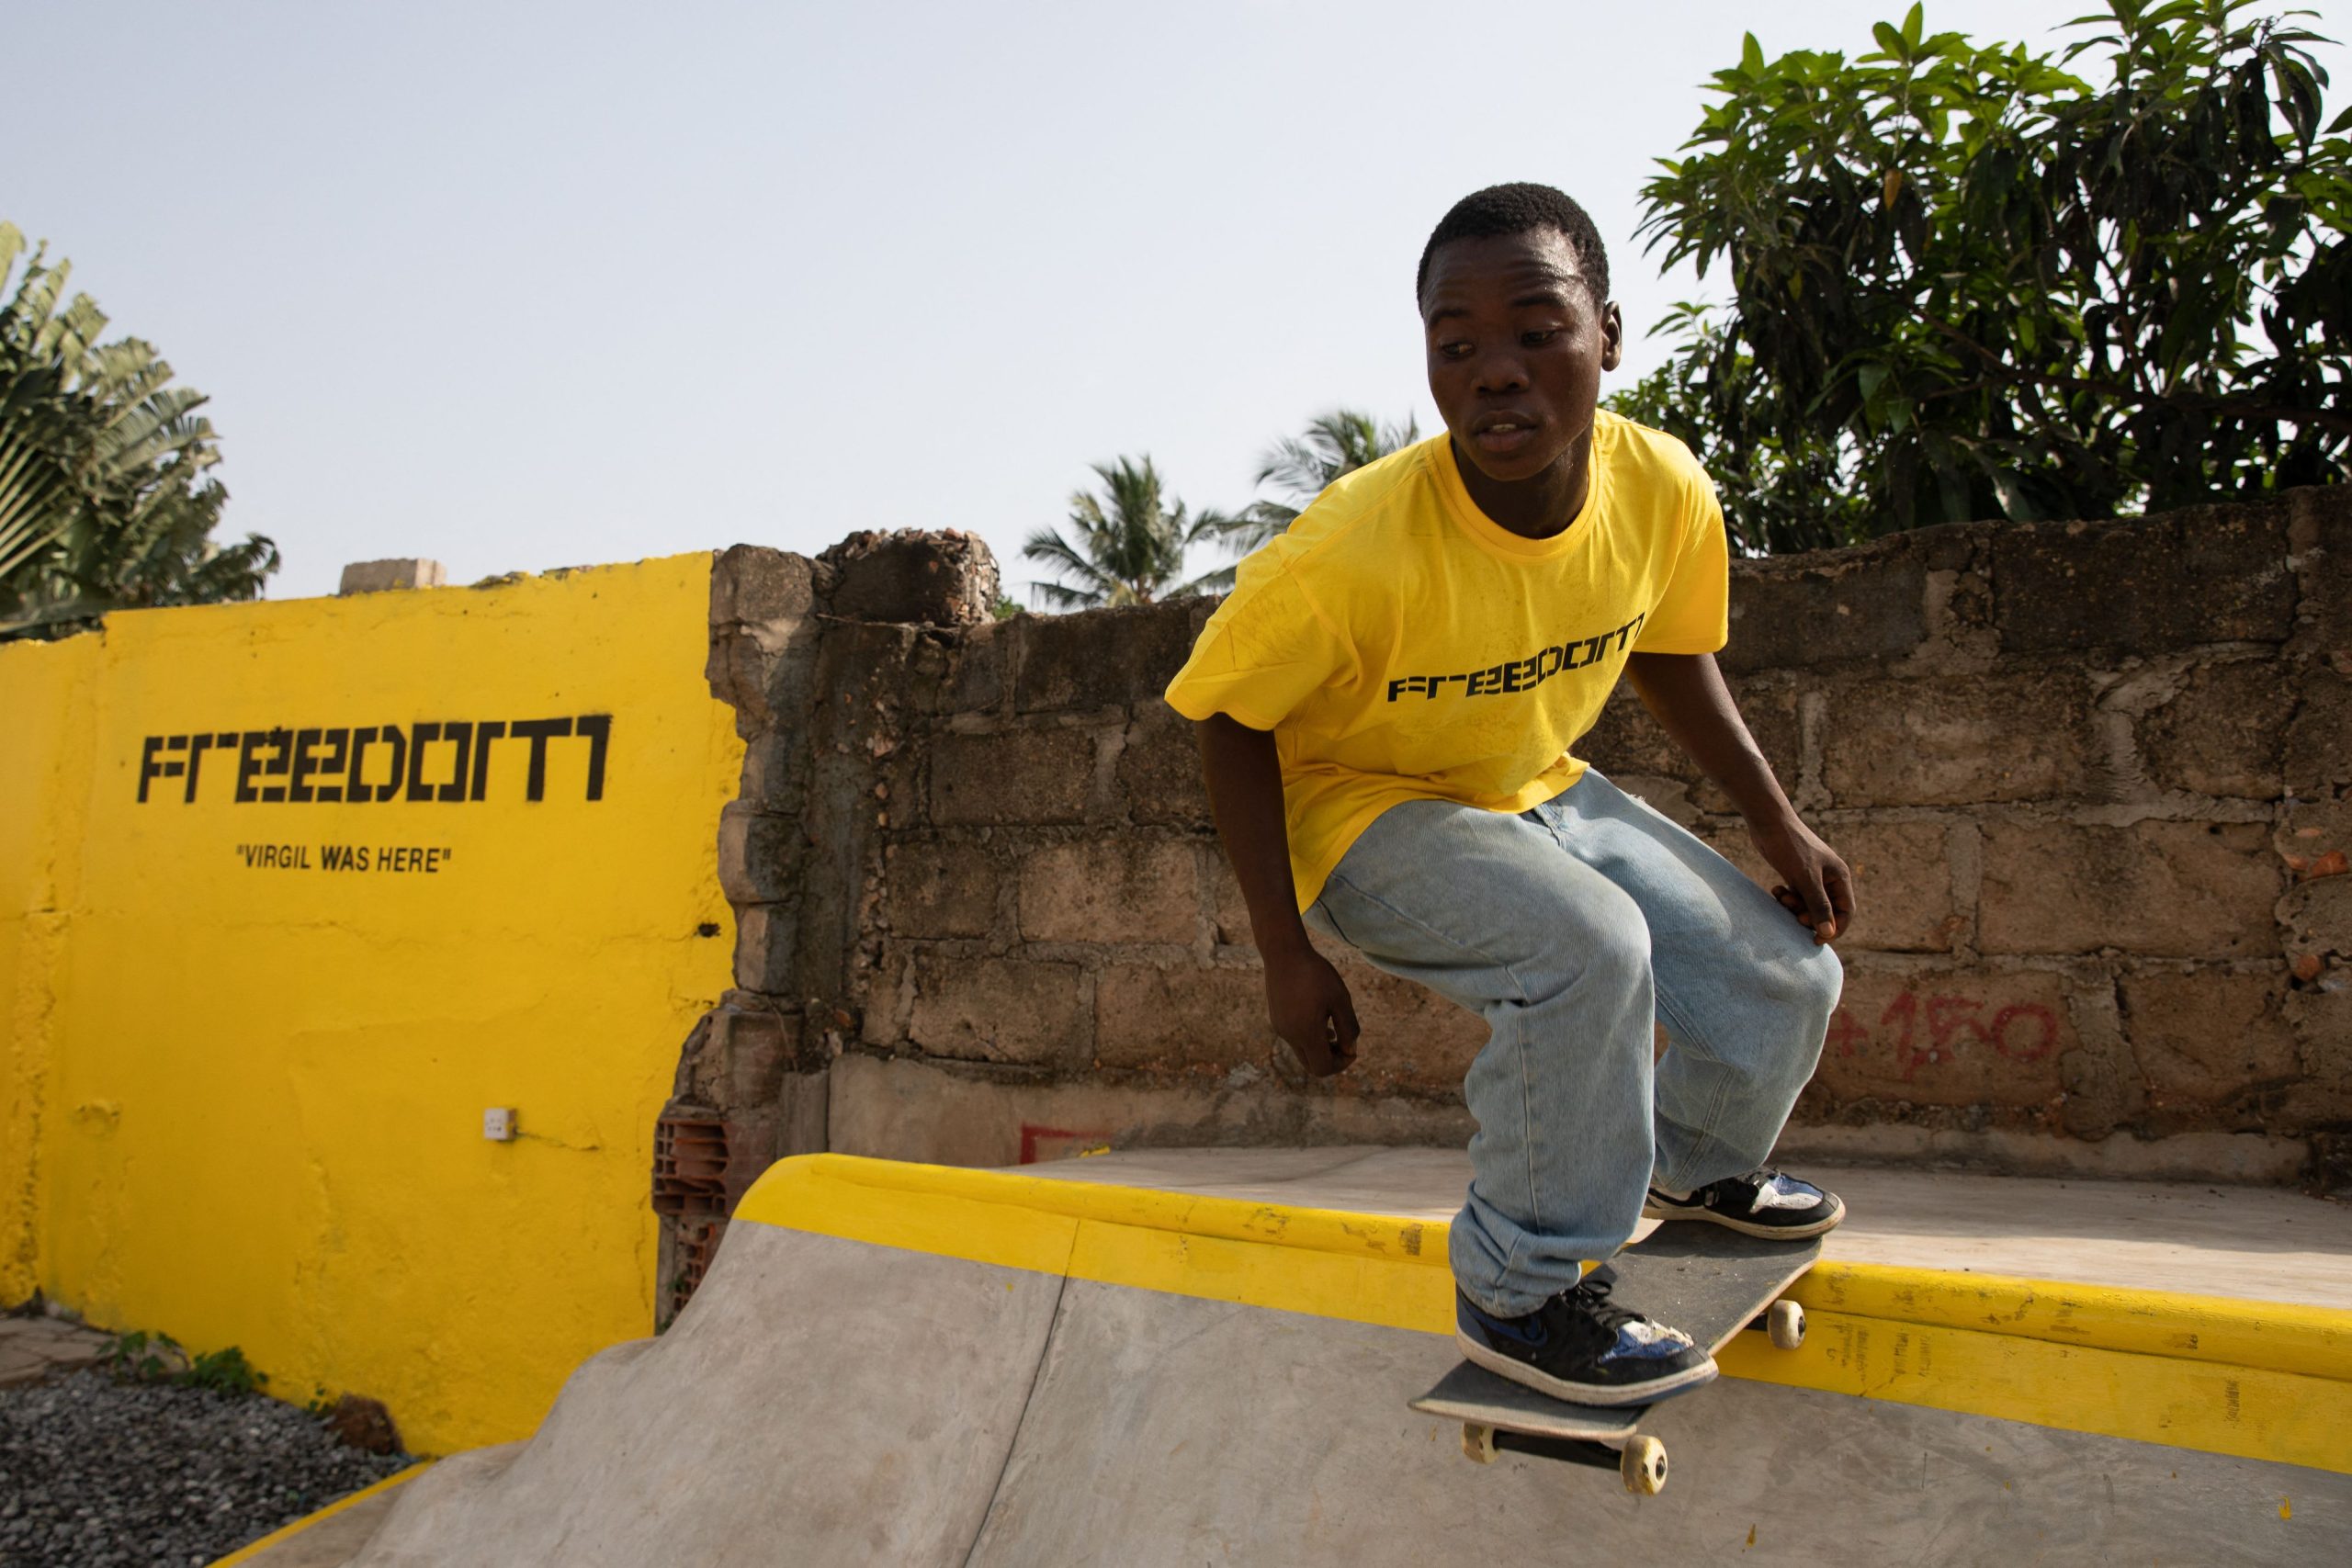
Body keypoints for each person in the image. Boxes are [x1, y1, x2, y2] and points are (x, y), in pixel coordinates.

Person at [1162, 183, 1854, 1407]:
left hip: (1530, 779)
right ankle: (1519, 1290)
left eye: (1538, 331)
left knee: (1784, 978)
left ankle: (1695, 1165)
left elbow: (1669, 647)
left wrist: (1773, 816)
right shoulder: (1350, 546)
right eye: (1457, 344)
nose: (1495, 371)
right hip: (1363, 806)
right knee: (1586, 948)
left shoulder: (1661, 489)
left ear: (1609, 337)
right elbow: (1227, 716)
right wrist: (1283, 948)